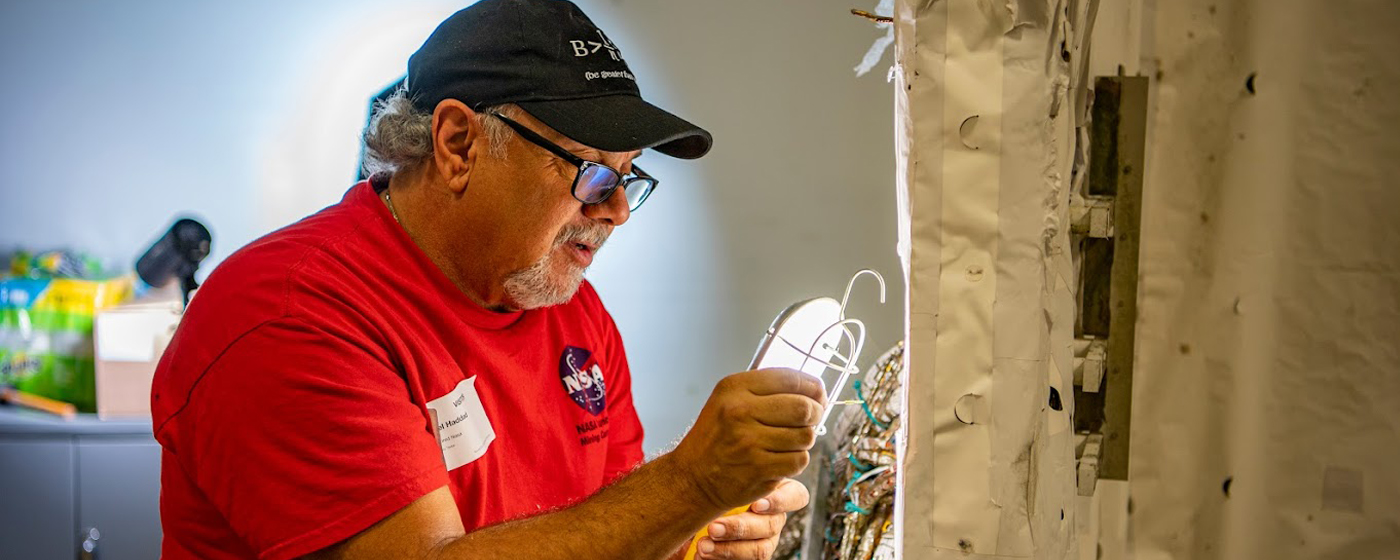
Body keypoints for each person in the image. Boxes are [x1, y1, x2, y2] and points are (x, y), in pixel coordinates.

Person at [149, 1, 824, 559]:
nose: (615, 210)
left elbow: (617, 526)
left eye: (629, 177)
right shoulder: (289, 313)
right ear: (458, 145)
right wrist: (690, 483)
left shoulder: (569, 311)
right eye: (591, 171)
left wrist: (698, 535)